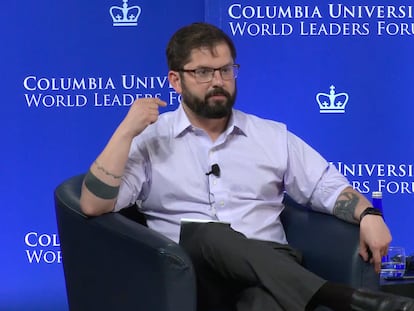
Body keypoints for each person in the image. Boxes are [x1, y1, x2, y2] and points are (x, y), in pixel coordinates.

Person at [79, 22, 414, 311]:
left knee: (264, 302)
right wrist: (125, 130)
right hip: (192, 273)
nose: (218, 81)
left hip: (272, 264)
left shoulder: (270, 136)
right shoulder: (151, 139)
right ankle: (339, 297)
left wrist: (369, 215)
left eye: (226, 70)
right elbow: (94, 204)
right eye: (203, 72)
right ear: (175, 81)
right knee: (207, 234)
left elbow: (325, 186)